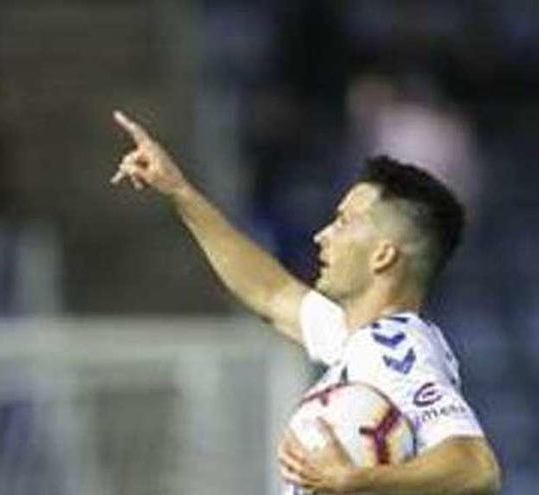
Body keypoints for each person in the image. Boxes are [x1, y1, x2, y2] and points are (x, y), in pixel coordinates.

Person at [109, 111, 501, 494]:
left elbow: (476, 466)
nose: (322, 235)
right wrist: (179, 191)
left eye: (344, 221)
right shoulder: (359, 341)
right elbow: (271, 293)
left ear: (383, 255)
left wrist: (355, 481)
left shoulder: (395, 348)